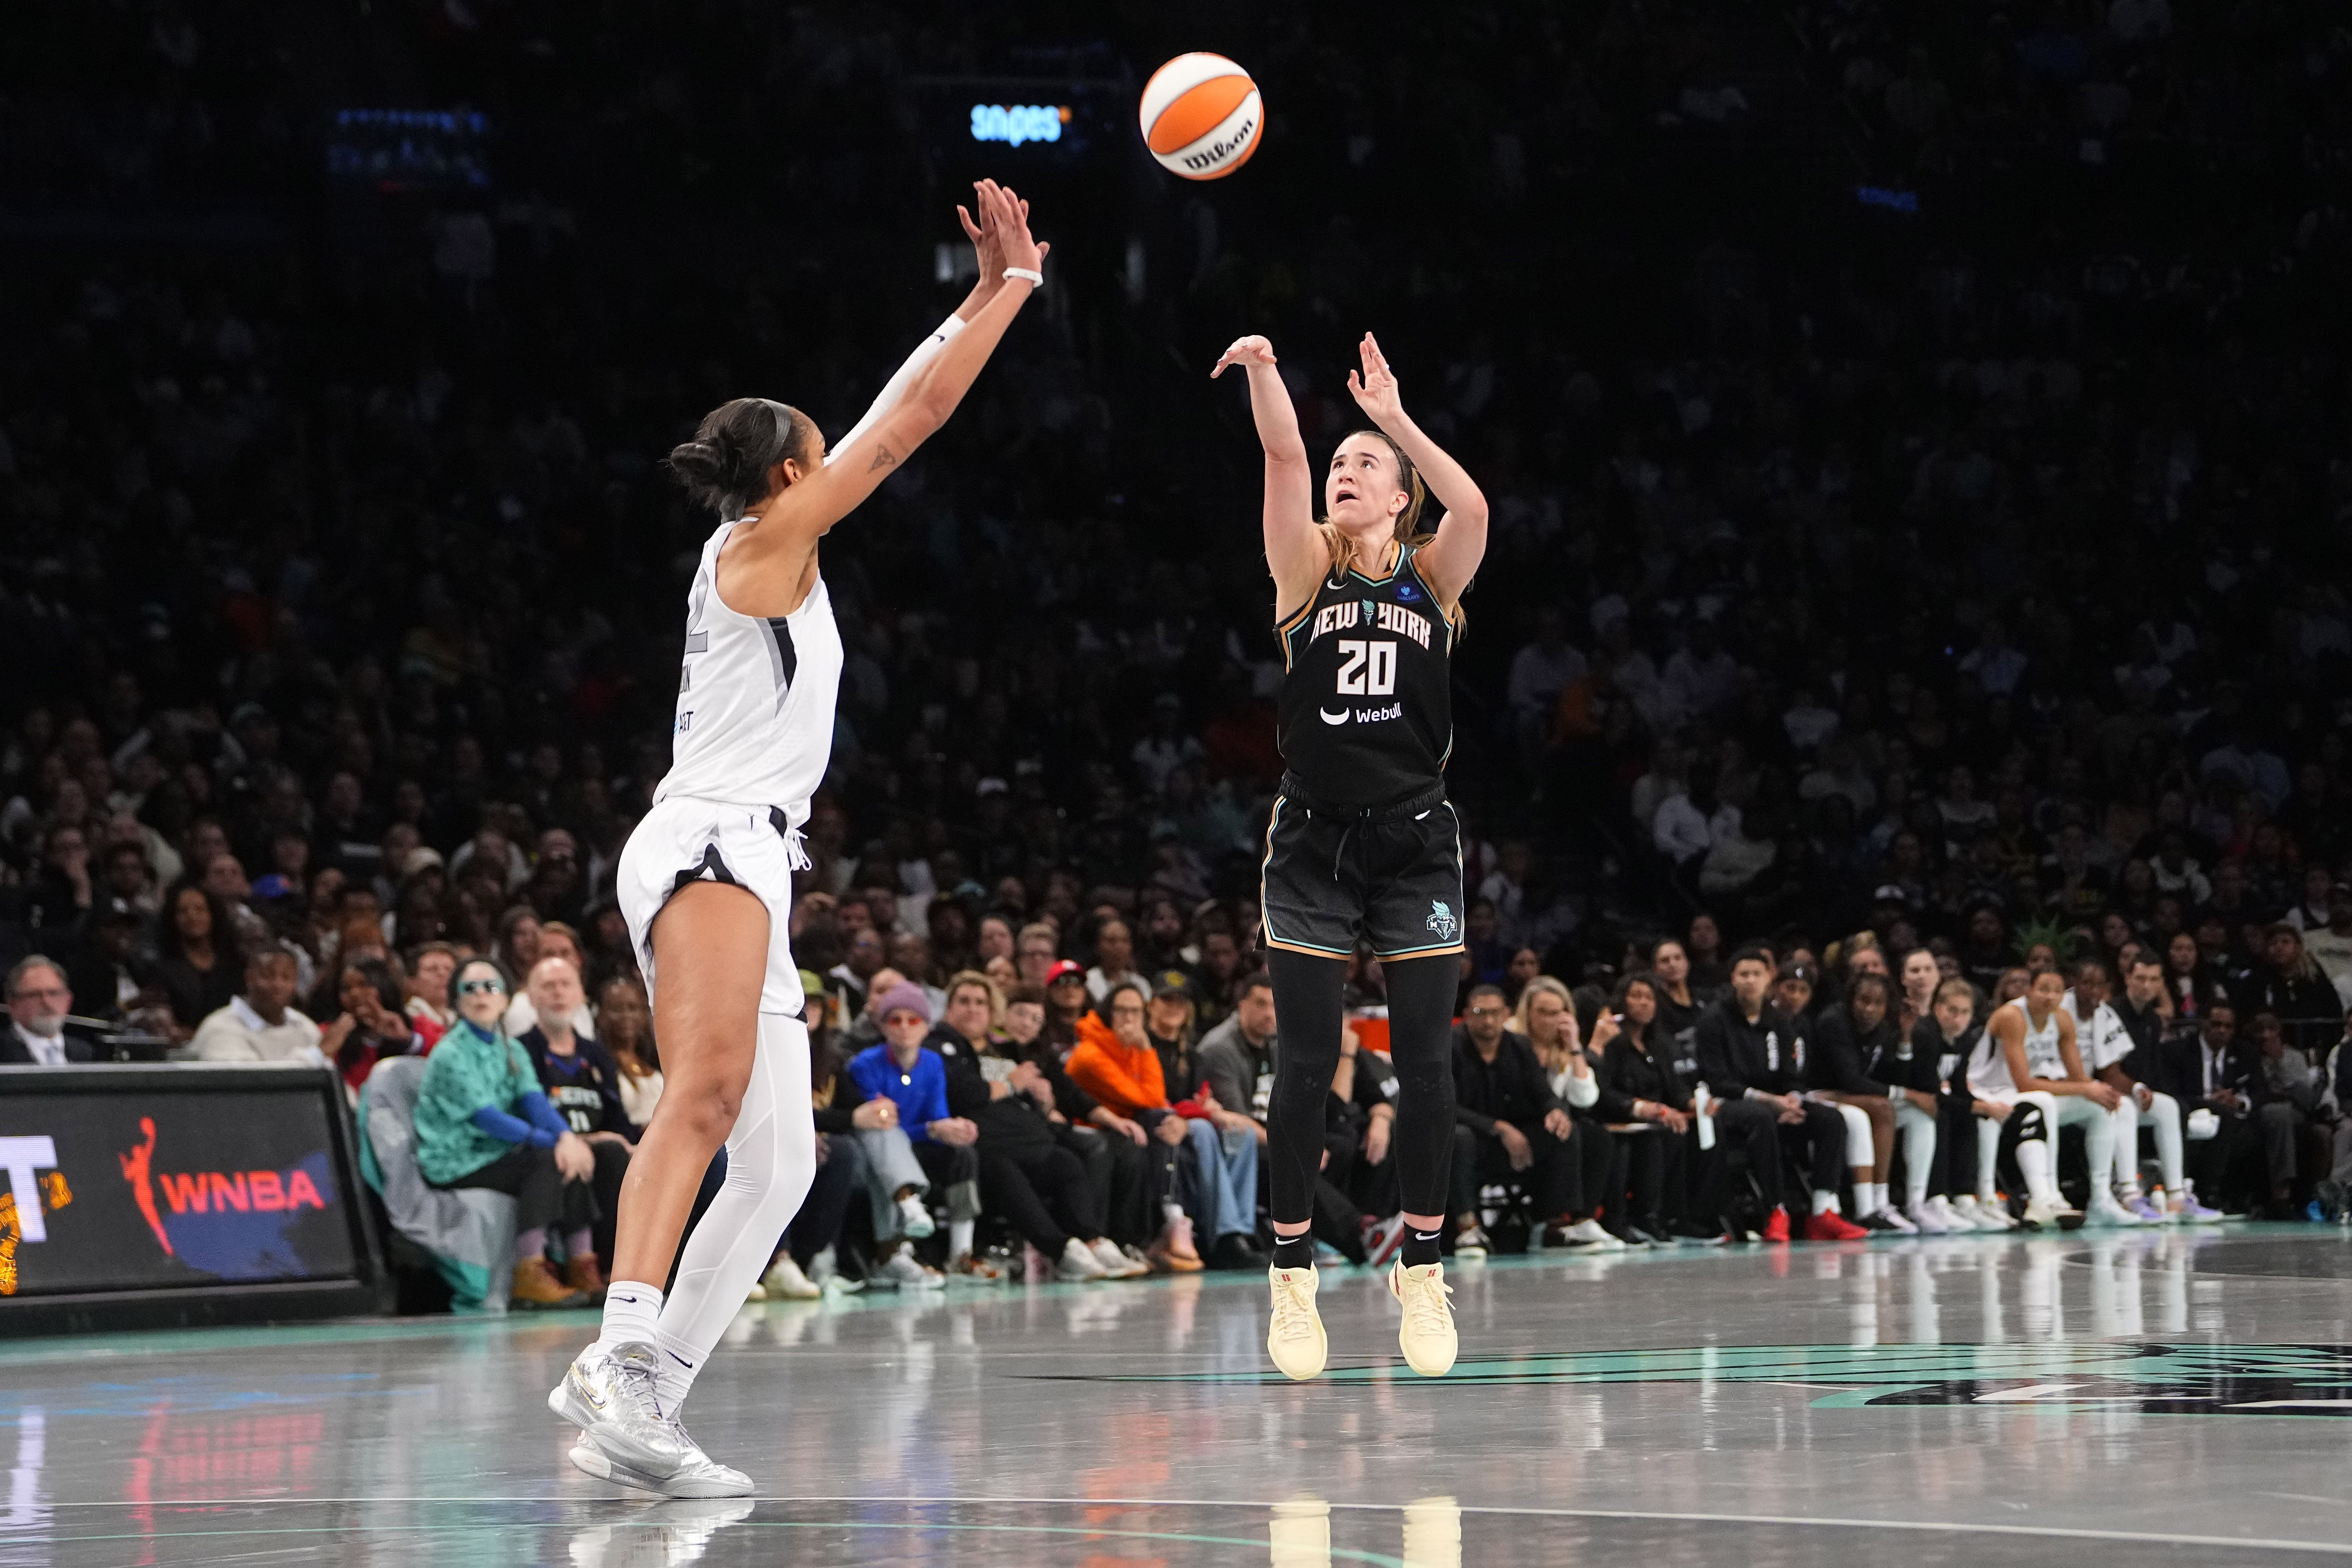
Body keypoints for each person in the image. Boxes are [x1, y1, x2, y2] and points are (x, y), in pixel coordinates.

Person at [551, 180, 1049, 1498]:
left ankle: (640, 1408)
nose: (837, 461)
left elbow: (896, 396)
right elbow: (915, 418)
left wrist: (975, 294)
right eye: (817, 450)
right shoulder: (766, 538)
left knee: (777, 1161)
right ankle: (616, 1349)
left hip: (757, 854)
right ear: (786, 474)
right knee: (706, 1104)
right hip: (713, 840)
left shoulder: (773, 535)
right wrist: (1010, 294)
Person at [1214, 327, 1489, 1382]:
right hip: (1315, 844)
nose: (1344, 471)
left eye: (1363, 467)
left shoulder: (1432, 579)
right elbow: (1284, 458)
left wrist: (1394, 422)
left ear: (1397, 496)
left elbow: (1474, 509)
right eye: (1343, 464)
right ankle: (1292, 1278)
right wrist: (1267, 375)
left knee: (1425, 1067)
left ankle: (1421, 1267)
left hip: (1416, 843)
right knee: (1305, 1067)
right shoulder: (1303, 576)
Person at [413, 957, 597, 1309]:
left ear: (507, 999)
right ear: (456, 999)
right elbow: (487, 1119)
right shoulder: (450, 1052)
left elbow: (534, 1101)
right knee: (546, 1159)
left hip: (493, 1151)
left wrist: (568, 1138)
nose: (481, 994)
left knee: (571, 1157)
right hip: (456, 1158)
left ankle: (582, 1264)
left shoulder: (509, 1048)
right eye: (470, 988)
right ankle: (528, 1270)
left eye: (491, 987)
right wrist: (554, 1142)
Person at [930, 971, 1138, 1281]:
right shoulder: (941, 1045)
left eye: (980, 1003)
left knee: (1066, 1163)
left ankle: (1094, 1240)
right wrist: (1010, 1084)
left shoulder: (1010, 1048)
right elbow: (966, 1094)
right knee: (1002, 1169)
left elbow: (1065, 1091)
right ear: (949, 1008)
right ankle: (1061, 1250)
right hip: (981, 1146)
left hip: (1028, 1140)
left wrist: (1050, 1105)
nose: (972, 1009)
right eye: (964, 1001)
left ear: (992, 1013)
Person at [1068, 979, 1266, 1269]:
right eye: (1166, 1001)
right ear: (1153, 1008)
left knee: (1241, 1135)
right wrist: (1196, 1116)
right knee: (1202, 1129)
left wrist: (1206, 1110)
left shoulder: (1191, 1054)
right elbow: (1150, 1099)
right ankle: (1222, 1235)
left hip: (1169, 1120)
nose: (1174, 1008)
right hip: (1142, 1123)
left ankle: (1239, 1232)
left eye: (1181, 1002)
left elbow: (1197, 1097)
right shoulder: (1131, 1046)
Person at [1694, 946, 1869, 1241]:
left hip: (1774, 1104)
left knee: (1830, 1119)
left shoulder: (1778, 1020)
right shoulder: (1714, 1019)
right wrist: (1770, 1101)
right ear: (1733, 979)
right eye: (1744, 974)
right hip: (1728, 1104)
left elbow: (1792, 1076)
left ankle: (1823, 1209)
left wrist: (1792, 1100)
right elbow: (1718, 1080)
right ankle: (1776, 1210)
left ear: (1768, 979)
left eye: (1757, 974)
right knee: (1761, 1117)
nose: (1751, 980)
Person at [1451, 983, 1614, 1251]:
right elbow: (1446, 1106)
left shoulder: (1519, 1046)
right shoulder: (1451, 1045)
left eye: (1495, 1013)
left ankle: (1554, 1225)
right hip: (1474, 1140)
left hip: (1517, 1146)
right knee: (1459, 1138)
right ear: (1467, 1013)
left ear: (1507, 1014)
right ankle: (1468, 1228)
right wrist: (1498, 1128)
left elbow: (1542, 1092)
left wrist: (1555, 1111)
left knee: (1565, 1130)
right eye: (1480, 1012)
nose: (1488, 1020)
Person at [1967, 964, 2129, 1228]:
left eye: (2057, 991)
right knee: (2044, 1101)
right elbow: (2024, 1083)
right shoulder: (2013, 1016)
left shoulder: (2062, 1019)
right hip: (1989, 1089)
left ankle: (2102, 1199)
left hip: (2023, 1094)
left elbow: (2079, 1077)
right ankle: (2047, 1194)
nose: (2050, 996)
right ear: (2029, 990)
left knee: (2099, 1108)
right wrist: (2086, 1088)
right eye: (2043, 989)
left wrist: (2098, 1090)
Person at [847, 982, 979, 1287]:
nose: (905, 1028)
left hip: (917, 1143)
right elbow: (878, 1121)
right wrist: (933, 1128)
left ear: (926, 1026)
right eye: (895, 1020)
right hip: (876, 1145)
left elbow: (937, 1115)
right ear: (882, 1026)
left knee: (963, 1154)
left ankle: (962, 1252)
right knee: (885, 1139)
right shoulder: (865, 1064)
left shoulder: (933, 1063)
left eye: (913, 1020)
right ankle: (896, 1241)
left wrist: (952, 1129)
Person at [518, 955, 637, 1286]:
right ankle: (604, 1269)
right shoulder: (522, 1050)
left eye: (566, 985)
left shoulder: (595, 1053)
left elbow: (617, 1116)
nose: (558, 994)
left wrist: (635, 1144)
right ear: (531, 998)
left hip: (602, 1142)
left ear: (581, 994)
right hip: (554, 1146)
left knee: (631, 1155)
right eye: (548, 986)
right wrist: (580, 1140)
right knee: (610, 1156)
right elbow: (527, 1109)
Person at [1585, 975, 1711, 1244]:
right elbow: (1603, 1091)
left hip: (1656, 1119)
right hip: (1618, 1117)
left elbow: (1675, 1088)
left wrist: (1693, 1103)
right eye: (1636, 996)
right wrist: (1643, 1108)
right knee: (1652, 1139)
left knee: (1697, 1130)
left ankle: (1682, 1217)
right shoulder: (1611, 1040)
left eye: (1650, 997)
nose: (1644, 1003)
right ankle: (1640, 1217)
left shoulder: (1660, 1043)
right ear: (1622, 1000)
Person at [1808, 972, 1922, 1233]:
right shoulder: (1833, 1021)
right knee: (1880, 1109)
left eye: (1878, 1003)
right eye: (1864, 1001)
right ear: (1851, 1001)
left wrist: (1905, 1037)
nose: (1869, 1009)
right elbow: (1852, 1080)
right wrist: (1909, 1094)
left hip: (1851, 1096)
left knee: (1918, 1115)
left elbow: (1894, 1078)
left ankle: (1917, 1203)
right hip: (1817, 1094)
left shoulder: (1883, 1028)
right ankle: (1869, 1206)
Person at [190, 949, 326, 1067]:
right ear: (248, 979)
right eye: (268, 976)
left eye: (287, 978)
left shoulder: (305, 1027)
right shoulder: (220, 1028)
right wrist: (315, 1055)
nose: (278, 985)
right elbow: (252, 1086)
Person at [3, 956, 96, 1065]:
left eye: (53, 993)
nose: (47, 1002)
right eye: (35, 995)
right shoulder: (4, 1053)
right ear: (13, 1004)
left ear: (68, 1000)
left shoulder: (86, 1053)